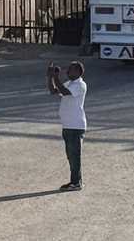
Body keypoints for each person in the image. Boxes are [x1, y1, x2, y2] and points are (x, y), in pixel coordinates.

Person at [48, 60, 87, 191]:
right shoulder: (69, 83)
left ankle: (76, 183)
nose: (67, 71)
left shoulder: (80, 85)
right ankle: (74, 181)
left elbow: (64, 92)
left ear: (78, 72)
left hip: (76, 126)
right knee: (71, 155)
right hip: (68, 125)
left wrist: (55, 77)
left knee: (75, 155)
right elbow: (54, 91)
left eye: (71, 69)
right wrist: (50, 77)